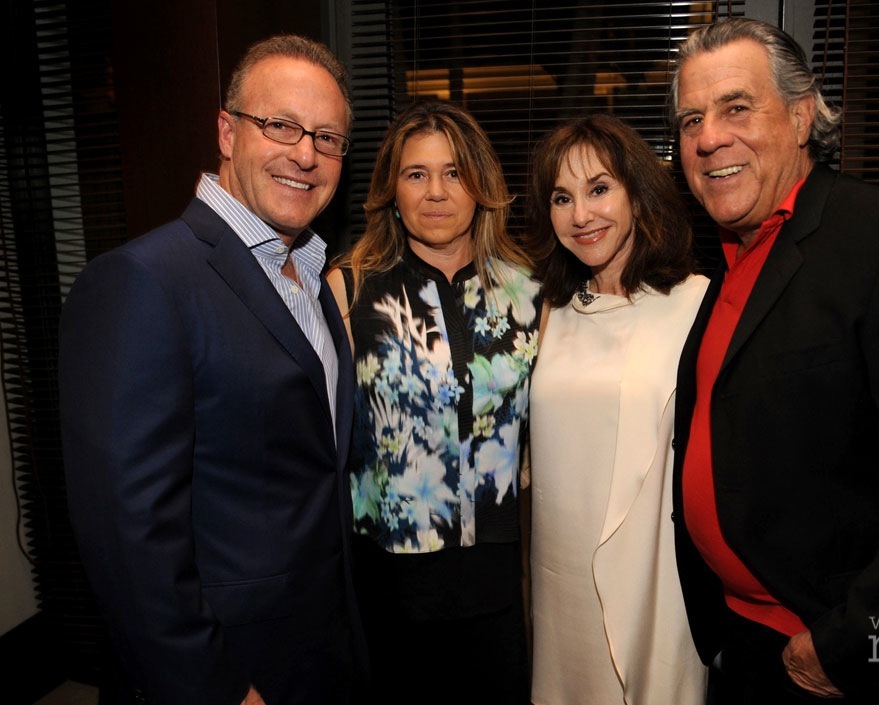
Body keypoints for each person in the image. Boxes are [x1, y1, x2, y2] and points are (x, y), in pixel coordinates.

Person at [669, 17, 879, 704]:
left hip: (842, 666)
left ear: (800, 117)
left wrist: (847, 642)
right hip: (742, 646)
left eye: (737, 107)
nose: (708, 138)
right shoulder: (730, 262)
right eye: (691, 119)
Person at [59, 35, 366, 705]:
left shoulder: (310, 279)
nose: (306, 153)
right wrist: (216, 688)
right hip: (226, 670)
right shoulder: (142, 281)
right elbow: (127, 533)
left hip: (319, 650)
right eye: (280, 125)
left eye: (328, 137)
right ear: (227, 132)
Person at [326, 99, 541, 705]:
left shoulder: (530, 292)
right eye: (416, 174)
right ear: (391, 189)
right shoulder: (349, 286)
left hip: (497, 578)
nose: (437, 192)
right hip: (389, 578)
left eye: (454, 172)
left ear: (481, 184)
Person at [524, 113, 709, 704]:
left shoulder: (695, 305)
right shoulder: (545, 312)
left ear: (637, 193)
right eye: (562, 197)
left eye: (600, 189)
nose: (581, 215)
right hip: (560, 580)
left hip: (655, 578)